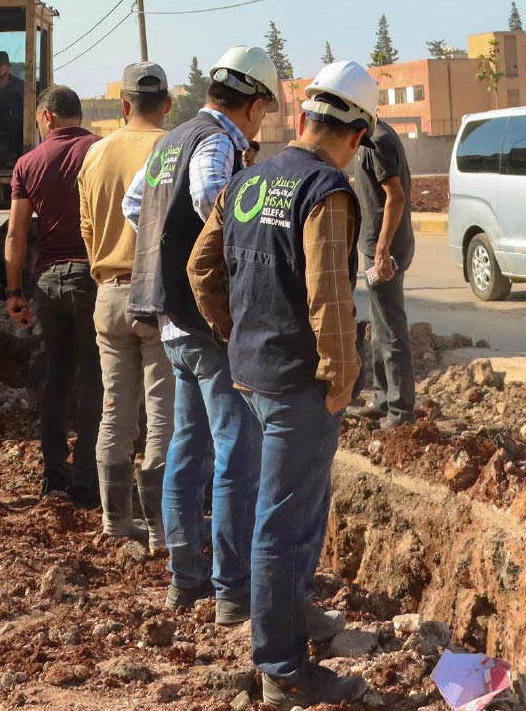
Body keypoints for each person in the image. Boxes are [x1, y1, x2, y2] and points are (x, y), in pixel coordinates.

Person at [189, 59, 380, 709]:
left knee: (288, 514)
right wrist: (339, 378)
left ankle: (291, 621)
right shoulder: (326, 189)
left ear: (302, 118)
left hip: (250, 372)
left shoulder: (248, 179)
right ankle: (281, 666)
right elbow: (330, 295)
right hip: (299, 381)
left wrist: (228, 330)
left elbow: (200, 264)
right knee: (285, 524)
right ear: (356, 136)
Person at [124, 46, 278, 625]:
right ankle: (232, 589)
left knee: (188, 448)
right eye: (262, 111)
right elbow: (212, 197)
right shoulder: (215, 142)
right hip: (206, 319)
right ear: (255, 103)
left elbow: (133, 202)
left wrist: (169, 251)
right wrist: (229, 253)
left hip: (169, 319)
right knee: (237, 449)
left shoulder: (170, 139)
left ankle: (183, 581)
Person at [78, 63, 177, 545]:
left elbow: (88, 231)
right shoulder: (174, 147)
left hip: (109, 294)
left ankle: (115, 523)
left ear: (123, 104)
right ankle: (160, 529)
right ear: (169, 104)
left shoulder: (95, 154)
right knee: (162, 412)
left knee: (114, 410)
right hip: (157, 297)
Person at [5, 85, 102, 505]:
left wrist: (13, 291)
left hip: (48, 281)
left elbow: (15, 232)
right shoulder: (99, 152)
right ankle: (87, 479)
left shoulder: (27, 163)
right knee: (95, 379)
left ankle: (54, 475)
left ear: (46, 117)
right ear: (77, 115)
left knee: (57, 377)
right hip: (92, 278)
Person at [346, 116, 415, 427]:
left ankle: (400, 410)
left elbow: (395, 196)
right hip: (375, 247)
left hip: (384, 251)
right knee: (379, 323)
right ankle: (383, 398)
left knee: (390, 326)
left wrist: (383, 251)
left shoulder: (379, 140)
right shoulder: (368, 137)